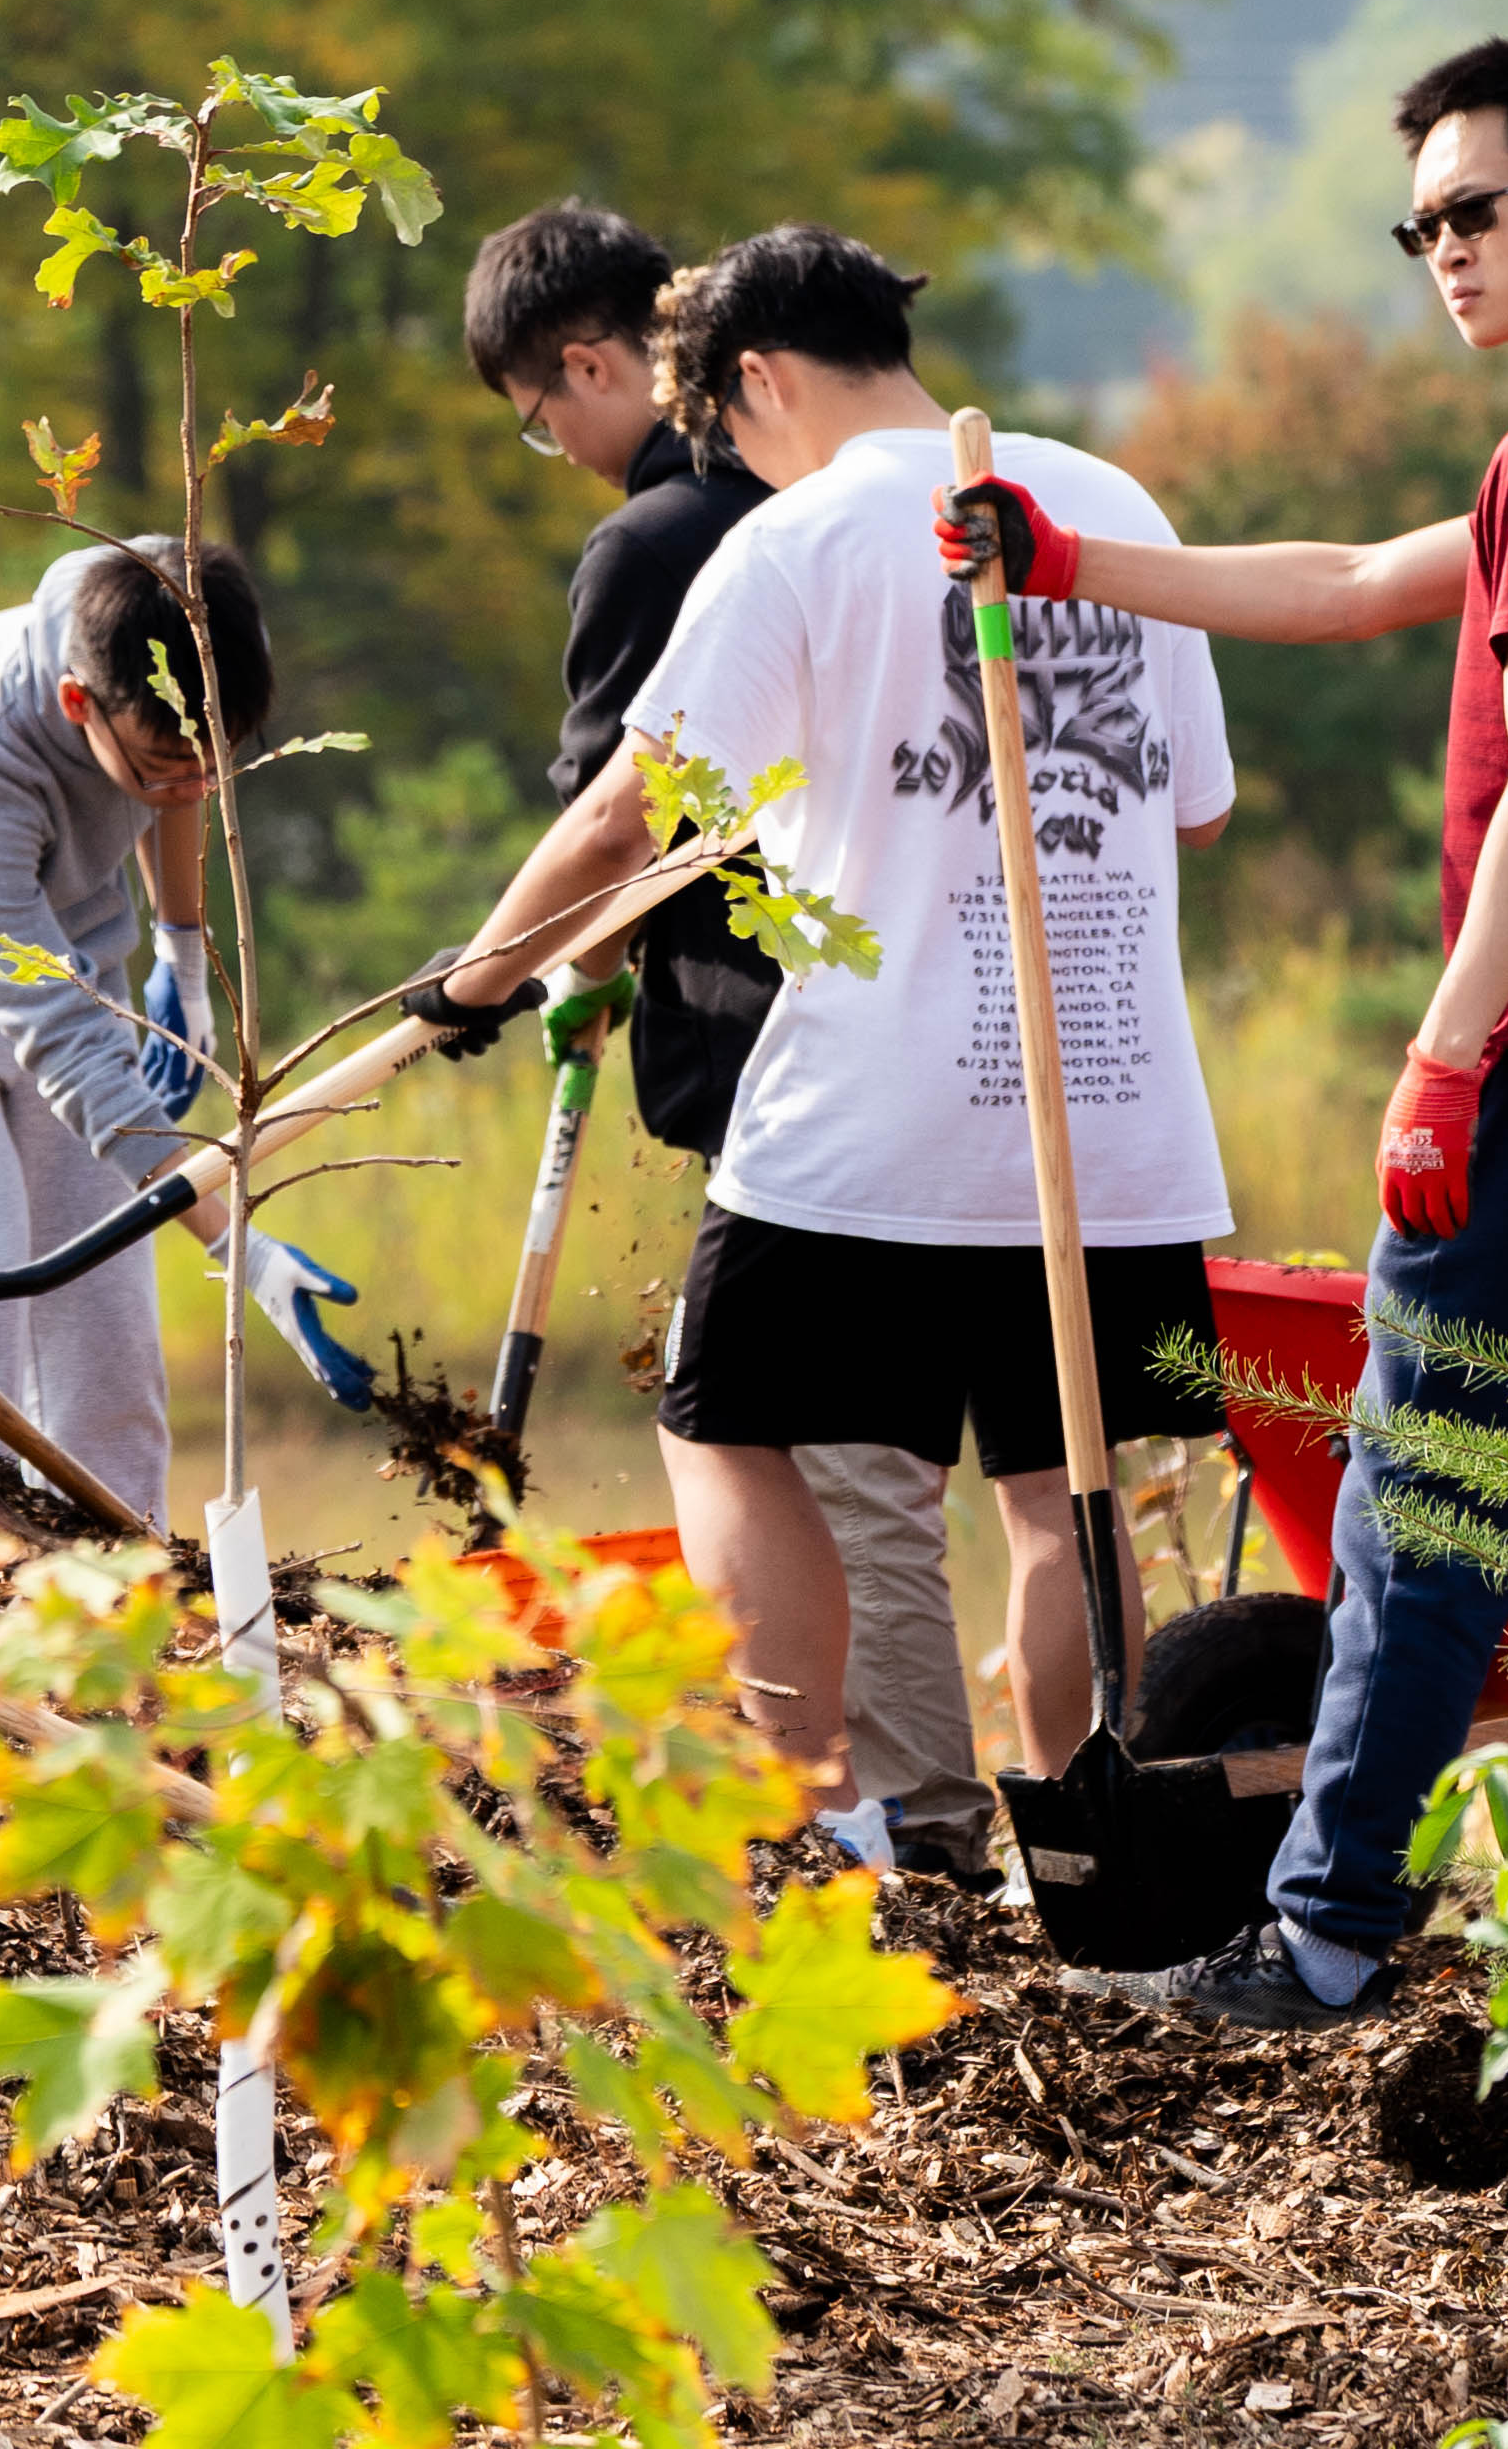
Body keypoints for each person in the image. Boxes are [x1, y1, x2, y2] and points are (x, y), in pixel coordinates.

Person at [954, 37, 1508, 2031]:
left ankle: (1321, 1929)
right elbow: (1336, 583)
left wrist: (1442, 1048)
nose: (1446, 251)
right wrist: (1070, 565)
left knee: (1423, 1512)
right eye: (1420, 225)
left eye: (1478, 208)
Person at [396, 227, 1239, 1847]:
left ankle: (821, 1815)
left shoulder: (795, 541)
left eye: (725, 424)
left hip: (878, 1115)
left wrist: (478, 974)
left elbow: (633, 809)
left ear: (756, 378)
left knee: (719, 1424)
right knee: (1060, 1497)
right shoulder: (1110, 505)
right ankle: (1082, 1856)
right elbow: (1192, 811)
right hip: (1109, 1106)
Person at [462, 200, 993, 1886]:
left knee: (821, 1446)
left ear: (598, 362)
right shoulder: (862, 502)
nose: (547, 448)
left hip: (786, 1045)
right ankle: (906, 1797)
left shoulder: (670, 540)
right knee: (892, 1451)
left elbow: (628, 818)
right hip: (939, 1019)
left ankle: (890, 1808)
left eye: (538, 411)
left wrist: (510, 970)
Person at [0, 532, 374, 1534]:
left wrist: (183, 956)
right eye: (158, 765)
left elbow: (183, 778)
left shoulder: (168, 609)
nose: (189, 786)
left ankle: (124, 1566)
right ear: (76, 707)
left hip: (65, 948)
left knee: (104, 1301)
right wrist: (244, 1250)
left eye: (210, 764)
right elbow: (61, 1036)